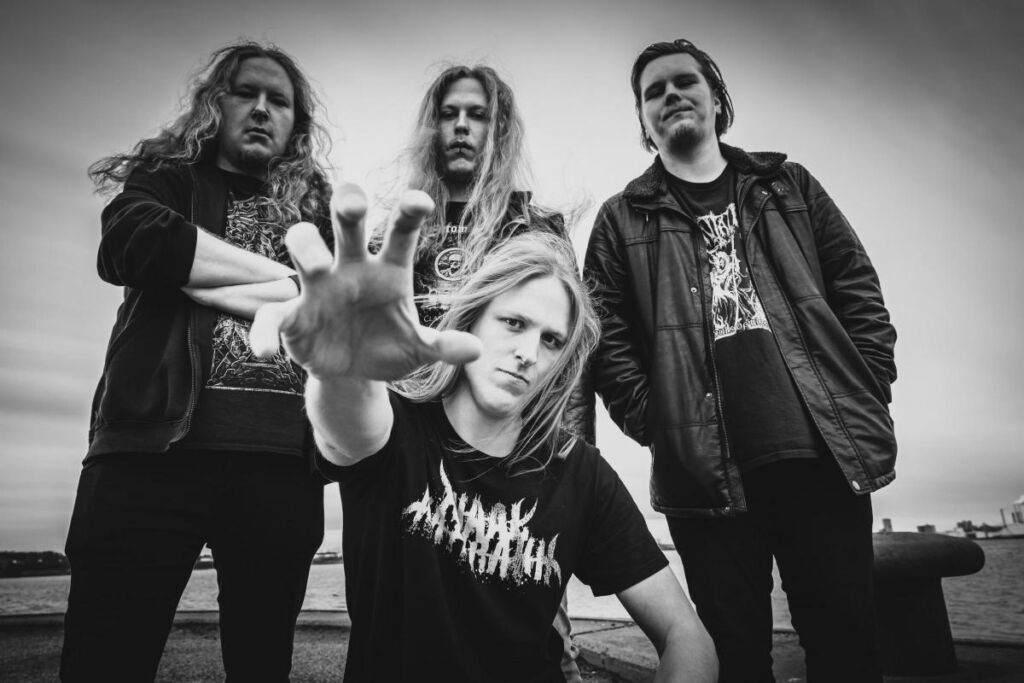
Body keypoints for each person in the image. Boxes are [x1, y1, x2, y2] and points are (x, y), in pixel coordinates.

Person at [249, 187, 718, 682]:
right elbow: (350, 425)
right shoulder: (397, 429)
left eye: (551, 340)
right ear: (470, 318)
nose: (528, 353)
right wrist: (341, 370)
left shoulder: (579, 473)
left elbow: (687, 635)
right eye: (513, 323)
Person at [584, 38, 897, 682]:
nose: (671, 95)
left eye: (685, 81)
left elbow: (858, 289)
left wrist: (865, 387)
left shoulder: (789, 185)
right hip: (703, 480)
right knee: (735, 657)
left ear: (715, 97)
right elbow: (604, 338)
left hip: (823, 460)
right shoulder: (621, 219)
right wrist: (658, 424)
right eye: (653, 91)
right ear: (642, 117)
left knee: (848, 644)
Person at [61, 41, 332, 682]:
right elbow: (133, 241)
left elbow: (338, 309)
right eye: (246, 93)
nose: (261, 109)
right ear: (216, 103)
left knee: (262, 666)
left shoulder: (316, 213)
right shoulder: (170, 177)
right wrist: (291, 284)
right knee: (105, 662)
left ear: (296, 123)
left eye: (279, 101)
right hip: (151, 456)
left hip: (282, 469)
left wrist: (197, 275)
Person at [380, 63, 591, 679]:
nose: (462, 127)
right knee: (410, 629)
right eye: (449, 114)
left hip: (511, 458)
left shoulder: (537, 228)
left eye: (478, 116)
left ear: (500, 132)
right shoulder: (402, 229)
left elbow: (566, 358)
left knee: (534, 632)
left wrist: (563, 464)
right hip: (414, 459)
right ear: (431, 127)